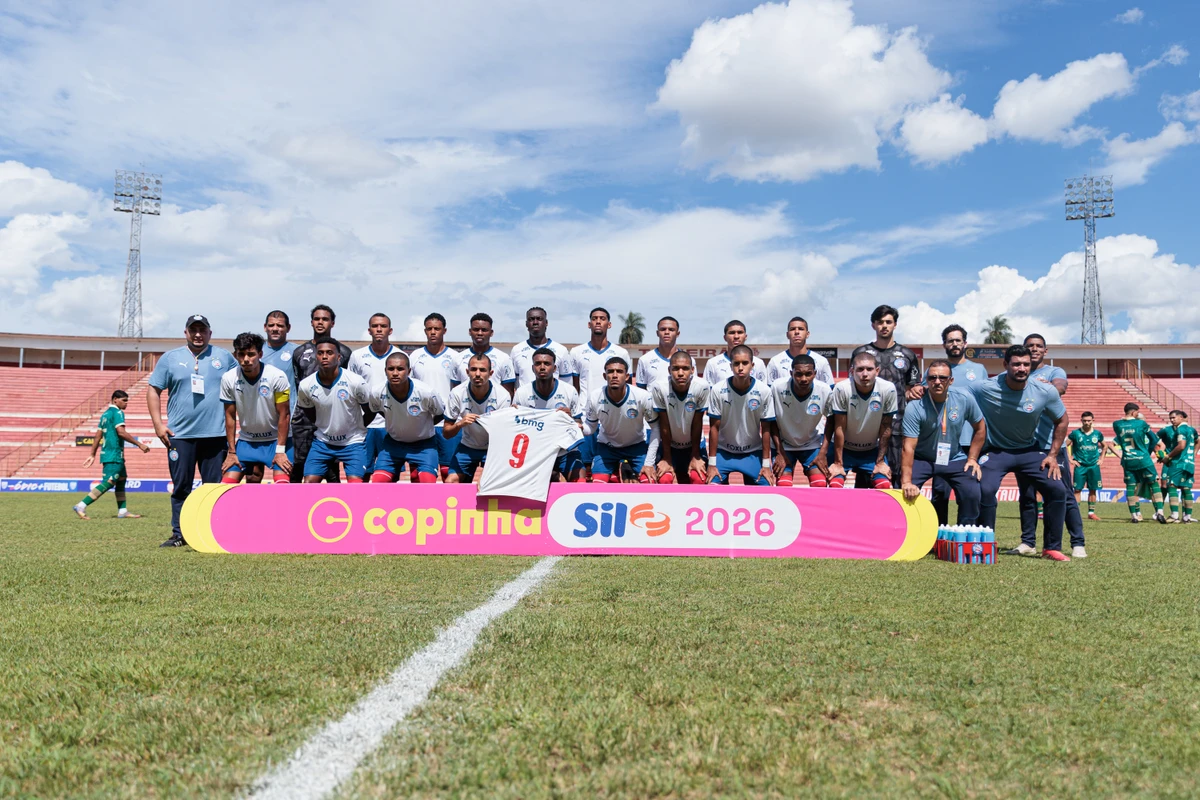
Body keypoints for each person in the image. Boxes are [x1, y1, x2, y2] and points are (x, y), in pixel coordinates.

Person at [967, 344, 1070, 560]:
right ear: (1006, 365)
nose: (1022, 368)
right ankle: (984, 544)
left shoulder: (1044, 390)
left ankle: (1051, 548)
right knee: (984, 489)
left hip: (1029, 452)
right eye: (1016, 364)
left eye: (1026, 364)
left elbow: (1061, 420)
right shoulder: (984, 387)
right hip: (996, 452)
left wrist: (1052, 455)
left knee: (1057, 490)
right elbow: (958, 395)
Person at [147, 314, 236, 547]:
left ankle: (214, 532)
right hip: (180, 436)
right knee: (181, 487)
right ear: (186, 332)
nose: (198, 334)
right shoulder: (170, 358)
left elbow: (243, 383)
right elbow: (153, 390)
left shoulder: (224, 357)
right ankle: (180, 534)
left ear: (210, 333)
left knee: (213, 489)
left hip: (215, 435)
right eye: (193, 329)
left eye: (202, 330)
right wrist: (158, 425)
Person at [910, 324, 989, 523]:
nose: (954, 344)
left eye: (958, 340)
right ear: (944, 344)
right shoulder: (935, 368)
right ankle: (938, 532)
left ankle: (966, 530)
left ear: (965, 343)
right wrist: (913, 391)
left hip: (968, 441)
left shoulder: (978, 370)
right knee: (939, 491)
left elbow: (985, 403)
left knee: (971, 490)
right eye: (950, 340)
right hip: (940, 440)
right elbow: (921, 393)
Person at [1020, 333, 1086, 557]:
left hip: (1051, 447)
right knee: (1027, 495)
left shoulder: (1053, 372)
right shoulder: (1019, 372)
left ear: (1045, 351)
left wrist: (1041, 387)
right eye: (1030, 346)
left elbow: (1060, 387)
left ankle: (1078, 543)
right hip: (1026, 447)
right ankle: (1028, 542)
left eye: (1039, 346)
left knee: (1064, 494)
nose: (1034, 349)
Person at [852, 305, 920, 479]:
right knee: (866, 475)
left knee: (897, 473)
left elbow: (911, 389)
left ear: (895, 325)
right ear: (873, 325)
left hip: (898, 424)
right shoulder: (861, 353)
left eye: (888, 322)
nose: (884, 326)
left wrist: (915, 391)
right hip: (867, 425)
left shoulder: (908, 355)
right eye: (880, 322)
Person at [290, 305, 353, 482]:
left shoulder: (344, 353)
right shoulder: (300, 352)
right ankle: (293, 507)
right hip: (304, 420)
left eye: (325, 319)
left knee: (332, 471)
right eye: (317, 319)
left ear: (332, 323)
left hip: (332, 419)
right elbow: (298, 385)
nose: (320, 322)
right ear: (311, 322)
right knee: (299, 466)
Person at [295, 336, 371, 483]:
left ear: (338, 357)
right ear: (316, 356)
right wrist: (323, 426)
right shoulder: (306, 385)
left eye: (329, 353)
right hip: (323, 442)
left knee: (355, 483)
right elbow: (309, 412)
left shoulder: (355, 381)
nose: (324, 356)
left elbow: (370, 410)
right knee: (309, 482)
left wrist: (357, 428)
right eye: (320, 353)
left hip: (353, 442)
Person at [219, 332, 292, 484]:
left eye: (251, 354)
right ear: (235, 355)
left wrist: (280, 451)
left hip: (275, 440)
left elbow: (284, 415)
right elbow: (230, 416)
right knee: (224, 486)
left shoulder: (277, 376)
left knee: (282, 485)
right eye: (241, 354)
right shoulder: (228, 378)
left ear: (260, 354)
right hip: (247, 441)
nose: (246, 359)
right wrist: (232, 451)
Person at [570, 307, 631, 476]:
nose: (598, 321)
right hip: (585, 415)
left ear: (609, 324)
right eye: (595, 318)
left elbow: (628, 384)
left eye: (602, 318)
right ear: (589, 324)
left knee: (611, 467)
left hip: (613, 416)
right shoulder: (576, 352)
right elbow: (575, 387)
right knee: (585, 465)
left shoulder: (621, 353)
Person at [367, 352, 445, 483]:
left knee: (428, 484)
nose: (395, 373)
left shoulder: (426, 392)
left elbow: (439, 414)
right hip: (393, 443)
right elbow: (379, 411)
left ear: (409, 371)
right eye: (391, 369)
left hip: (424, 445)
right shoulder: (376, 392)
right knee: (378, 483)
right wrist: (397, 421)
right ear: (385, 371)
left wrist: (421, 427)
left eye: (400, 369)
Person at [72, 390, 151, 519]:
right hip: (114, 454)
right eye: (124, 400)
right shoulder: (118, 413)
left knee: (121, 479)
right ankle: (81, 505)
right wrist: (139, 444)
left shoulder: (105, 414)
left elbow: (98, 436)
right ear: (115, 400)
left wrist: (92, 454)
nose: (126, 403)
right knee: (109, 481)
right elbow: (121, 432)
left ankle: (122, 510)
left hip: (109, 453)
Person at [512, 347, 585, 481]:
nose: (542, 367)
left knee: (580, 481)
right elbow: (516, 428)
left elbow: (579, 423)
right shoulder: (522, 393)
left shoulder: (569, 391)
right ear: (533, 368)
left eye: (547, 364)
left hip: (565, 450)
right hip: (535, 451)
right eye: (538, 364)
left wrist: (571, 420)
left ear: (555, 368)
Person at [706, 345, 775, 486]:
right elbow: (714, 427)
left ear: (752, 365)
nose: (740, 367)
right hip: (723, 452)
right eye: (736, 363)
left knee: (766, 488)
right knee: (711, 487)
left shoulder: (764, 391)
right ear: (730, 366)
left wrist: (766, 465)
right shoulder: (718, 390)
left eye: (745, 363)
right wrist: (712, 464)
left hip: (752, 452)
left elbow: (766, 428)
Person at [827, 351, 896, 490]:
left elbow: (886, 427)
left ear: (877, 371)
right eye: (860, 369)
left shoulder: (888, 389)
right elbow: (839, 426)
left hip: (871, 451)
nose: (865, 374)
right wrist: (838, 463)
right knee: (834, 485)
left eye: (869, 369)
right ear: (852, 371)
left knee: (884, 485)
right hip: (844, 450)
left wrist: (880, 461)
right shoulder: (842, 388)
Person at [584, 358, 659, 483]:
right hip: (607, 447)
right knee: (597, 484)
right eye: (610, 372)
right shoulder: (595, 396)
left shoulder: (642, 396)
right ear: (604, 375)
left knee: (649, 482)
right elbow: (590, 428)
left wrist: (649, 463)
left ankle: (620, 470)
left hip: (636, 447)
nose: (614, 375)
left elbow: (656, 428)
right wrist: (578, 426)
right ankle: (614, 470)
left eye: (619, 371)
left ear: (627, 376)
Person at [443, 353, 511, 483]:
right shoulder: (457, 393)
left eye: (482, 370)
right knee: (450, 481)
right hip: (467, 446)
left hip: (493, 448)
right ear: (467, 372)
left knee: (486, 484)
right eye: (473, 369)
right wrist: (460, 424)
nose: (478, 374)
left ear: (490, 373)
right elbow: (446, 433)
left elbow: (504, 434)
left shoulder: (502, 395)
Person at [347, 312, 399, 479]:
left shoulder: (400, 356)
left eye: (383, 326)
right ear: (369, 330)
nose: (379, 329)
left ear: (390, 331)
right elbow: (351, 388)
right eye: (375, 326)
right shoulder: (357, 356)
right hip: (365, 425)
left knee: (390, 474)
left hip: (390, 424)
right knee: (363, 473)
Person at [768, 354, 832, 488]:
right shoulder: (777, 387)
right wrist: (779, 452)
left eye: (808, 374)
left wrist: (822, 453)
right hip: (784, 445)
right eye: (798, 374)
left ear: (815, 373)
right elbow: (771, 421)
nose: (804, 379)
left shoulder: (824, 390)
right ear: (791, 373)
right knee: (783, 484)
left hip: (811, 444)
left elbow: (832, 421)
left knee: (820, 483)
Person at [409, 313, 460, 479]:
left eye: (436, 329)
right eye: (429, 329)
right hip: (421, 424)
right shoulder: (415, 357)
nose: (433, 332)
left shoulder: (455, 357)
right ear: (425, 331)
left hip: (447, 423)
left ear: (444, 330)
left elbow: (459, 390)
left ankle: (449, 505)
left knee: (448, 471)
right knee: (418, 473)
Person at [648, 350, 709, 484]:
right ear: (669, 370)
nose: (680, 373)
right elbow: (663, 424)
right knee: (665, 479)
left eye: (685, 368)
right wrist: (667, 458)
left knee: (698, 478)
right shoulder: (659, 388)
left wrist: (695, 456)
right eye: (676, 368)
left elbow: (697, 423)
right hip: (670, 447)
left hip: (693, 446)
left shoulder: (702, 387)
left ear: (692, 370)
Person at [1112, 403, 1167, 523]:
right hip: (1143, 460)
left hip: (1128, 460)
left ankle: (1134, 516)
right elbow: (1154, 440)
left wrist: (1121, 455)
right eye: (1137, 412)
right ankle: (1160, 512)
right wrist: (1159, 454)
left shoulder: (1116, 424)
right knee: (1154, 484)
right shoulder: (1141, 424)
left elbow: (1115, 440)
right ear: (1133, 412)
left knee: (1131, 487)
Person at [261, 310, 298, 463]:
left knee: (288, 467)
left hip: (288, 420)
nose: (275, 328)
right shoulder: (255, 351)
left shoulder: (298, 351)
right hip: (261, 420)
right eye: (271, 325)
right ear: (265, 327)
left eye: (280, 325)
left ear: (288, 328)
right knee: (253, 473)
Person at [455, 312, 517, 398]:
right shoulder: (458, 359)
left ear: (491, 333)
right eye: (476, 329)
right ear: (470, 332)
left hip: (495, 410)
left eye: (484, 330)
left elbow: (509, 393)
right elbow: (454, 391)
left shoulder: (504, 358)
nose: (480, 333)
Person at [511, 307, 576, 387]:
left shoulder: (561, 350)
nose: (535, 322)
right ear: (526, 324)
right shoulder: (517, 350)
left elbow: (567, 384)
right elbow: (514, 383)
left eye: (539, 319)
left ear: (546, 323)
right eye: (531, 319)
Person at [766, 317, 833, 384]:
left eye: (801, 329)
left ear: (807, 334)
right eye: (792, 329)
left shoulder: (821, 361)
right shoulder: (775, 362)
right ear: (787, 335)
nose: (797, 332)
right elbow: (769, 391)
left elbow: (829, 390)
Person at [1158, 410, 1197, 522]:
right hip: (1190, 463)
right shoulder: (1191, 430)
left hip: (1179, 462)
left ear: (1181, 417)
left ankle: (1174, 515)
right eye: (1170, 418)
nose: (1172, 420)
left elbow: (1181, 446)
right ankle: (1187, 517)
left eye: (1174, 418)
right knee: (1186, 488)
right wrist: (1193, 454)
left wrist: (1168, 457)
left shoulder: (1180, 429)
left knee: (1172, 486)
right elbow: (1197, 440)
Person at [1067, 412, 1106, 521]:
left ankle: (1091, 513)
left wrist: (1102, 458)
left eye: (1089, 420)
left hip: (1093, 466)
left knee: (1093, 489)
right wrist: (1070, 459)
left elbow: (1105, 446)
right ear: (1081, 420)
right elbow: (1065, 445)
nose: (1087, 422)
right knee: (1077, 489)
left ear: (1093, 420)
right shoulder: (1075, 433)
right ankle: (1075, 513)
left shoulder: (1097, 434)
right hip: (1080, 466)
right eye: (1084, 420)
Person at [703, 320, 768, 386]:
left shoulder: (758, 363)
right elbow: (708, 392)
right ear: (725, 338)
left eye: (740, 332)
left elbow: (763, 391)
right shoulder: (713, 363)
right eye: (732, 333)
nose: (736, 336)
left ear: (745, 337)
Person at [636, 316, 692, 389]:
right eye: (663, 329)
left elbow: (693, 388)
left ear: (677, 334)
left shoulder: (689, 360)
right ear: (657, 333)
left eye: (671, 329)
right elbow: (641, 392)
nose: (667, 332)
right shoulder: (645, 360)